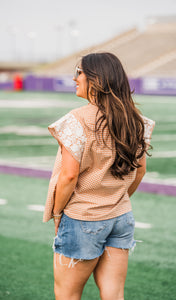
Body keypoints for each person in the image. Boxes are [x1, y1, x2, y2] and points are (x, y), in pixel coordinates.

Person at [43, 52, 155, 300]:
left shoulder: (77, 120)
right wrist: (117, 197)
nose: (75, 78)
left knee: (67, 295)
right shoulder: (136, 120)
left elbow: (69, 176)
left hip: (83, 217)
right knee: (114, 294)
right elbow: (140, 170)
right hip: (121, 216)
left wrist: (58, 212)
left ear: (96, 79)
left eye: (79, 72)